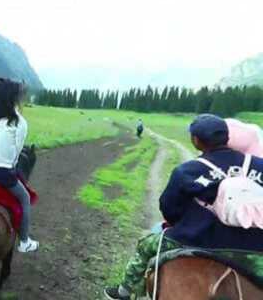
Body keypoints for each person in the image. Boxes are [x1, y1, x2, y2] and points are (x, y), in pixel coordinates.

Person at [104, 114, 263, 300]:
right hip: (256, 245)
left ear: (196, 140)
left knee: (146, 246)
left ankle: (124, 292)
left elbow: (169, 209)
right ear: (226, 137)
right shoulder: (259, 165)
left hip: (196, 239)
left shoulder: (187, 170)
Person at [0, 77, 39, 253]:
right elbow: (16, 154)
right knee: (25, 198)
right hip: (3, 174)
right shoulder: (20, 122)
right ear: (14, 98)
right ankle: (24, 242)